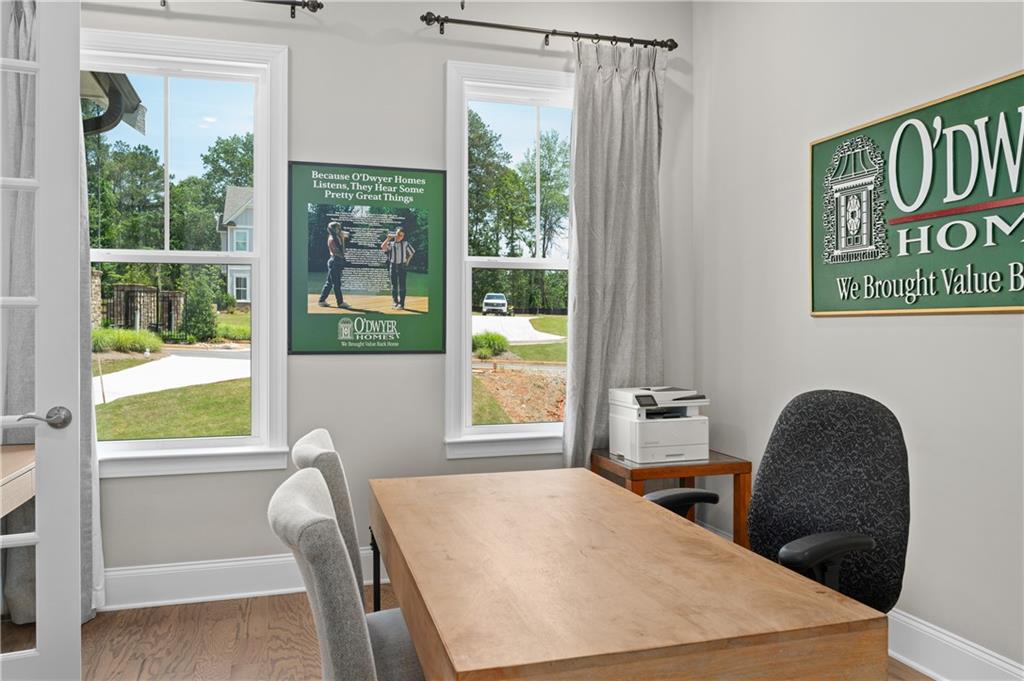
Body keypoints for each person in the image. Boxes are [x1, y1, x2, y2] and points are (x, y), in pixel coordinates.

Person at [318, 222, 351, 310]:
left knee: (329, 283)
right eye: (338, 228)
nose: (340, 229)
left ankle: (322, 301)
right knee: (336, 284)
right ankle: (340, 303)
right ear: (334, 229)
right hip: (335, 261)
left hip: (335, 261)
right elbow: (341, 252)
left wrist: (342, 237)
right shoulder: (333, 239)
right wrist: (343, 239)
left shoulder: (335, 237)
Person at [381, 228, 416, 310]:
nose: (398, 237)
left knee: (402, 285)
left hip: (402, 266)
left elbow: (412, 252)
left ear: (403, 237)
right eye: (397, 234)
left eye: (401, 235)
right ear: (395, 234)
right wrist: (388, 238)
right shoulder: (391, 243)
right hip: (392, 266)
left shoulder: (405, 244)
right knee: (394, 285)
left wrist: (407, 261)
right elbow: (383, 247)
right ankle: (395, 302)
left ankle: (401, 304)